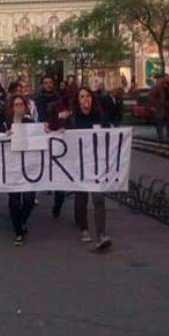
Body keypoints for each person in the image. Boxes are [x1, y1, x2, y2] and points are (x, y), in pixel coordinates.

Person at [65, 87, 113, 252]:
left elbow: (110, 136)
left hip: (97, 163)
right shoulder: (73, 119)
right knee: (82, 196)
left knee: (99, 198)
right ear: (78, 100)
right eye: (82, 96)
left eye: (88, 96)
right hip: (79, 163)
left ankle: (101, 234)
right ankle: (84, 227)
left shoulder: (100, 116)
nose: (86, 99)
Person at [0, 94, 37, 246]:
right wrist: (4, 137)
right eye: (16, 105)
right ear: (12, 108)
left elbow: (38, 139)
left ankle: (21, 220)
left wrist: (44, 130)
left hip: (27, 166)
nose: (19, 107)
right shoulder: (6, 124)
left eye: (21, 105)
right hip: (12, 166)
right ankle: (18, 231)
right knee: (14, 200)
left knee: (30, 199)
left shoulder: (30, 123)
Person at [149, 73, 169, 139]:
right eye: (164, 78)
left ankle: (168, 132)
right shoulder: (156, 87)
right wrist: (153, 105)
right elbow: (152, 97)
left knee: (168, 120)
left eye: (167, 78)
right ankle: (160, 134)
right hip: (159, 106)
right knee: (159, 120)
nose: (164, 80)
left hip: (168, 106)